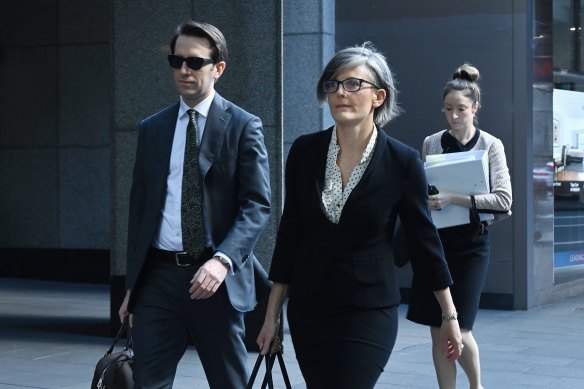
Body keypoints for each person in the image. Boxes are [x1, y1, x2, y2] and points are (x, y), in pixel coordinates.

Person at [256, 42, 463, 389]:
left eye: (353, 84)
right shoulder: (305, 151)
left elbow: (424, 242)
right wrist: (271, 316)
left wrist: (449, 315)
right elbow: (290, 235)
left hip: (368, 310)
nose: (340, 92)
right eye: (332, 84)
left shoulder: (403, 161)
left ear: (379, 97)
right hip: (310, 309)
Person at [117, 20, 271, 389]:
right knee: (147, 383)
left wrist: (223, 260)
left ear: (218, 68)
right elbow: (139, 211)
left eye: (194, 62)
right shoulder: (152, 128)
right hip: (157, 279)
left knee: (228, 382)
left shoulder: (243, 125)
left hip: (215, 281)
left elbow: (257, 205)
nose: (183, 70)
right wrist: (132, 287)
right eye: (176, 61)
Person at [407, 63, 513, 389]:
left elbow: (504, 200)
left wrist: (455, 197)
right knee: (437, 329)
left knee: (460, 327)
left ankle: (476, 386)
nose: (454, 116)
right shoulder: (431, 143)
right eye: (449, 109)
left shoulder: (490, 145)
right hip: (437, 243)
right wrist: (429, 199)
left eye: (462, 110)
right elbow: (426, 188)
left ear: (475, 108)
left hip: (471, 244)